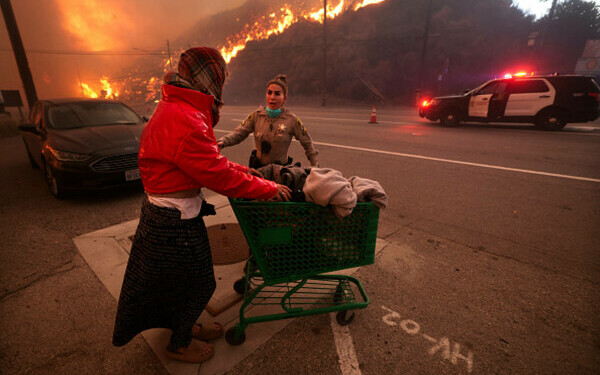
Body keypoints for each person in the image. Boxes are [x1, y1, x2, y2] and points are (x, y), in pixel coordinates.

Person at [112, 47, 291, 364]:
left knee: (178, 281)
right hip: (172, 219)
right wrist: (266, 188)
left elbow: (209, 163)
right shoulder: (187, 117)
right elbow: (217, 175)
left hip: (168, 211)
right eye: (220, 78)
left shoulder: (177, 105)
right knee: (199, 283)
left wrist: (245, 172)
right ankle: (179, 343)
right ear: (211, 79)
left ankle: (185, 324)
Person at [217, 74, 319, 168]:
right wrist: (223, 142)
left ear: (284, 98)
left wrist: (315, 167)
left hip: (280, 171)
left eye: (277, 94)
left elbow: (307, 144)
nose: (272, 97)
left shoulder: (291, 120)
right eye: (269, 93)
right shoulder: (256, 116)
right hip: (258, 170)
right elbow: (238, 133)